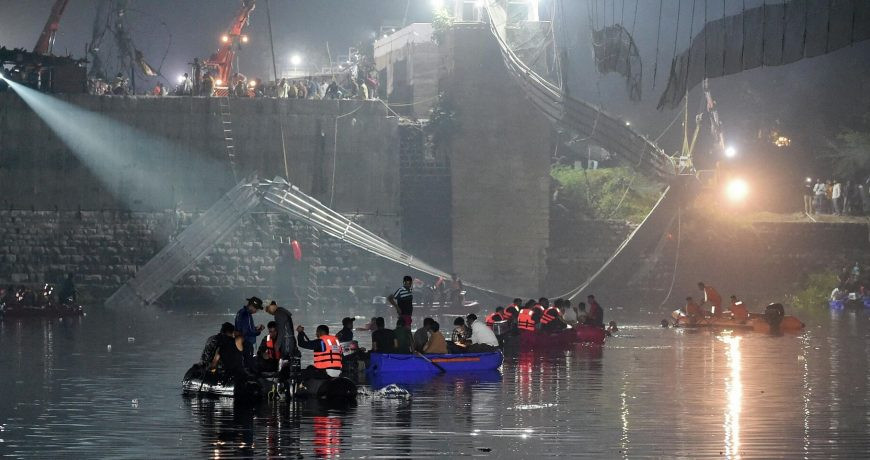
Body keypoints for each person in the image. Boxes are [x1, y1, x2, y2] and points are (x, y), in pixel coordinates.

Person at [264, 300, 297, 370]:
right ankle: (287, 372)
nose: (269, 312)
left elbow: (281, 331)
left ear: (272, 306)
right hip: (289, 339)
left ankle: (284, 373)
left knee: (285, 358)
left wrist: (277, 345)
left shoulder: (278, 314)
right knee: (288, 358)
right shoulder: (282, 312)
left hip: (286, 340)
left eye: (268, 309)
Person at [235, 297, 265, 372]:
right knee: (249, 364)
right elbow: (247, 332)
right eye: (256, 309)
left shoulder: (240, 312)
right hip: (246, 343)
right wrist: (259, 331)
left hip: (240, 342)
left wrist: (255, 328)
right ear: (252, 306)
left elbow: (244, 328)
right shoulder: (246, 314)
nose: (256, 311)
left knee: (245, 362)